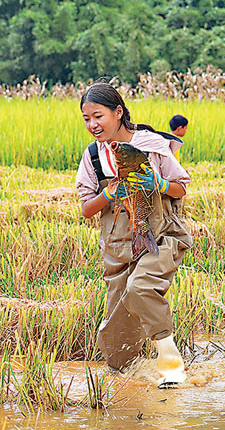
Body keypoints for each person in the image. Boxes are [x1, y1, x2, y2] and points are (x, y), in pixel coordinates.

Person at [76, 82, 192, 387]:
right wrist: (112, 193)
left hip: (161, 235)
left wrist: (158, 183)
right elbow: (87, 208)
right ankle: (130, 392)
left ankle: (171, 365)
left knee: (140, 288)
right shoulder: (93, 157)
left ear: (118, 112)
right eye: (86, 119)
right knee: (116, 348)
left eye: (98, 116)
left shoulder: (152, 145)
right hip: (118, 248)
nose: (93, 125)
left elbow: (180, 187)